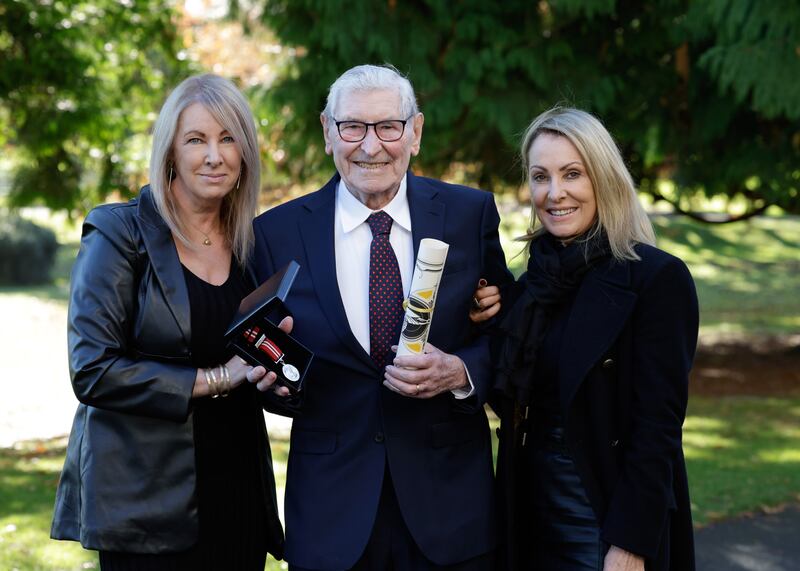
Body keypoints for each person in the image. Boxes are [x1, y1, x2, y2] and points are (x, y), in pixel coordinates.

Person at [251, 64, 513, 570]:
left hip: (450, 513)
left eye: (387, 127)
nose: (371, 146)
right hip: (333, 516)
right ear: (328, 132)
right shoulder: (276, 235)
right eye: (353, 127)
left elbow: (509, 332)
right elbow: (271, 366)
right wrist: (278, 385)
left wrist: (460, 372)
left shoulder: (469, 214)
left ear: (414, 132)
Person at [51, 73, 293, 570]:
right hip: (146, 505)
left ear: (245, 154)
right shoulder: (119, 233)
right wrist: (218, 378)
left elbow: (257, 362)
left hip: (238, 490)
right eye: (197, 139)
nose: (214, 155)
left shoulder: (253, 245)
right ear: (170, 152)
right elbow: (93, 369)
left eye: (229, 139)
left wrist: (281, 375)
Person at [472, 107, 698, 570]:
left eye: (572, 173)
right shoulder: (531, 288)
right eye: (540, 177)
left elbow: (657, 430)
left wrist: (630, 544)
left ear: (604, 179)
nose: (555, 193)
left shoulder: (656, 280)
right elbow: (511, 397)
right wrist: (491, 323)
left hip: (602, 513)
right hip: (527, 506)